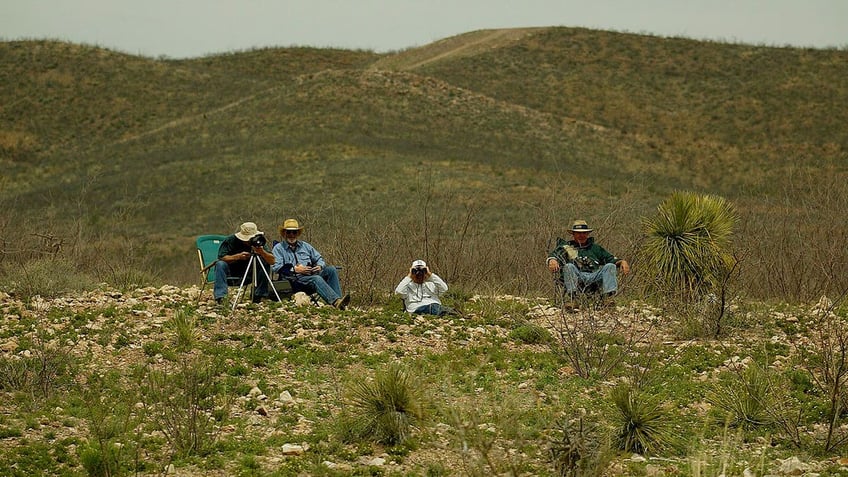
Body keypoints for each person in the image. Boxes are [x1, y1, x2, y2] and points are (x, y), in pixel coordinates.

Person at [271, 218, 350, 309]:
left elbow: (319, 258)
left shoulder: (305, 246)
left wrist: (319, 266)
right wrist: (294, 269)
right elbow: (276, 267)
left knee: (331, 269)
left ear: (298, 233)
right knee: (316, 278)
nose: (291, 235)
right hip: (294, 281)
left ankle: (339, 301)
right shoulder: (278, 248)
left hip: (310, 275)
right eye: (289, 232)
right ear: (284, 233)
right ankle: (336, 302)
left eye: (294, 232)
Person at [546, 219, 630, 302]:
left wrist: (622, 262)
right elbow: (554, 255)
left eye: (584, 233)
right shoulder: (566, 247)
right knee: (568, 266)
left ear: (588, 234)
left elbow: (611, 259)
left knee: (610, 266)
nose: (581, 235)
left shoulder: (595, 248)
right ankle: (572, 299)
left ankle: (608, 298)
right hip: (577, 276)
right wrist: (552, 260)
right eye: (578, 233)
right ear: (573, 234)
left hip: (594, 276)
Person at [214, 222, 276, 304]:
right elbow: (221, 257)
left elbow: (272, 261)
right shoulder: (231, 240)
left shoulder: (258, 242)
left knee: (263, 260)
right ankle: (221, 297)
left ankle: (260, 296)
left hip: (250, 273)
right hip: (231, 272)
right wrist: (237, 256)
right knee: (220, 264)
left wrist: (262, 252)